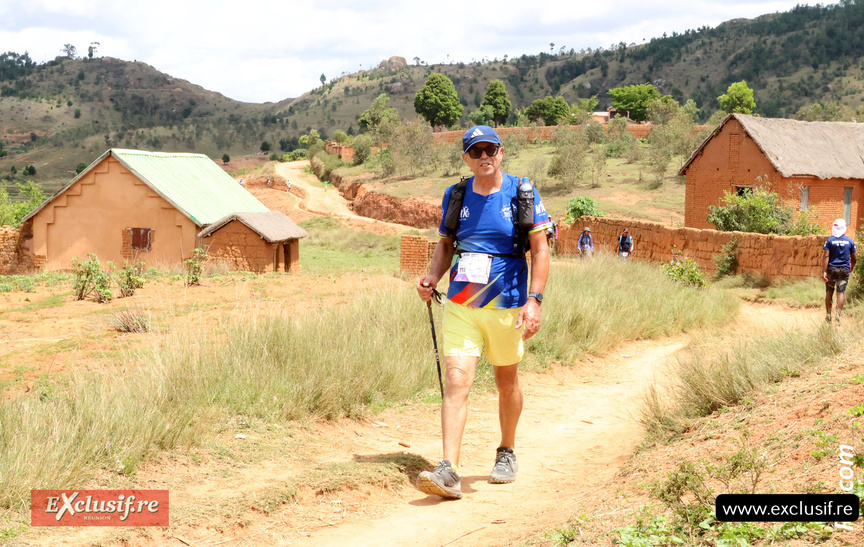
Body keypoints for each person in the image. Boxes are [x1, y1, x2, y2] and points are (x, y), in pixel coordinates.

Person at [415, 125, 552, 500]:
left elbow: (539, 249)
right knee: (457, 380)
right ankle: (449, 470)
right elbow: (446, 245)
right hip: (462, 305)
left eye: (490, 149)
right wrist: (431, 277)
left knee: (506, 383)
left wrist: (534, 299)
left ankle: (506, 452)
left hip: (507, 306)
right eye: (476, 152)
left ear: (501, 152)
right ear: (466, 158)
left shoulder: (521, 193)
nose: (484, 156)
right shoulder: (456, 195)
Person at [822, 218, 857, 325]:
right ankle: (838, 316)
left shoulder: (830, 241)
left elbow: (826, 256)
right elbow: (854, 258)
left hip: (832, 270)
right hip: (844, 270)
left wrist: (824, 271)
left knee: (829, 292)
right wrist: (850, 268)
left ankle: (828, 316)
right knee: (840, 293)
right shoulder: (850, 241)